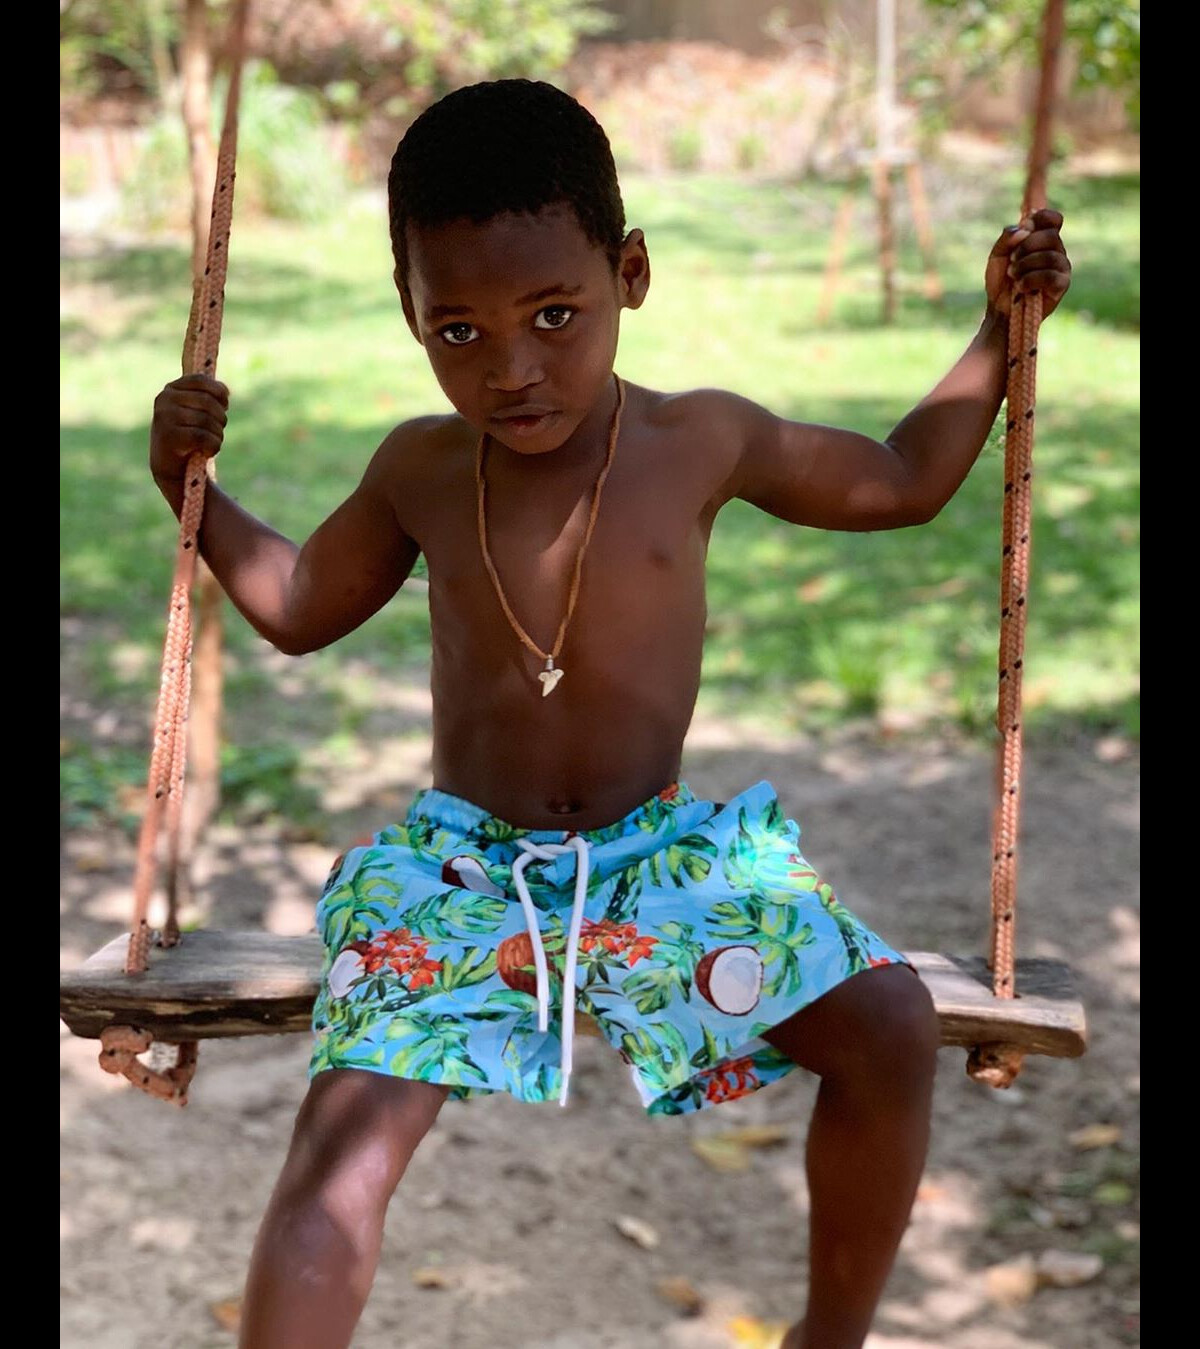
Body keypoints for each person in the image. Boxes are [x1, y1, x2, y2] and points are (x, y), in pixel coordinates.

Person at [149, 79, 1071, 1349]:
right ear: (410, 316)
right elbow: (302, 605)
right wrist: (187, 487)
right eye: (457, 332)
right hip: (461, 869)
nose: (512, 368)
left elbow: (907, 479)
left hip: (660, 861)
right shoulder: (420, 466)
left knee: (891, 1022)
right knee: (339, 1150)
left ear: (630, 272)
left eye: (554, 314)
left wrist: (996, 325)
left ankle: (830, 1337)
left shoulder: (701, 442)